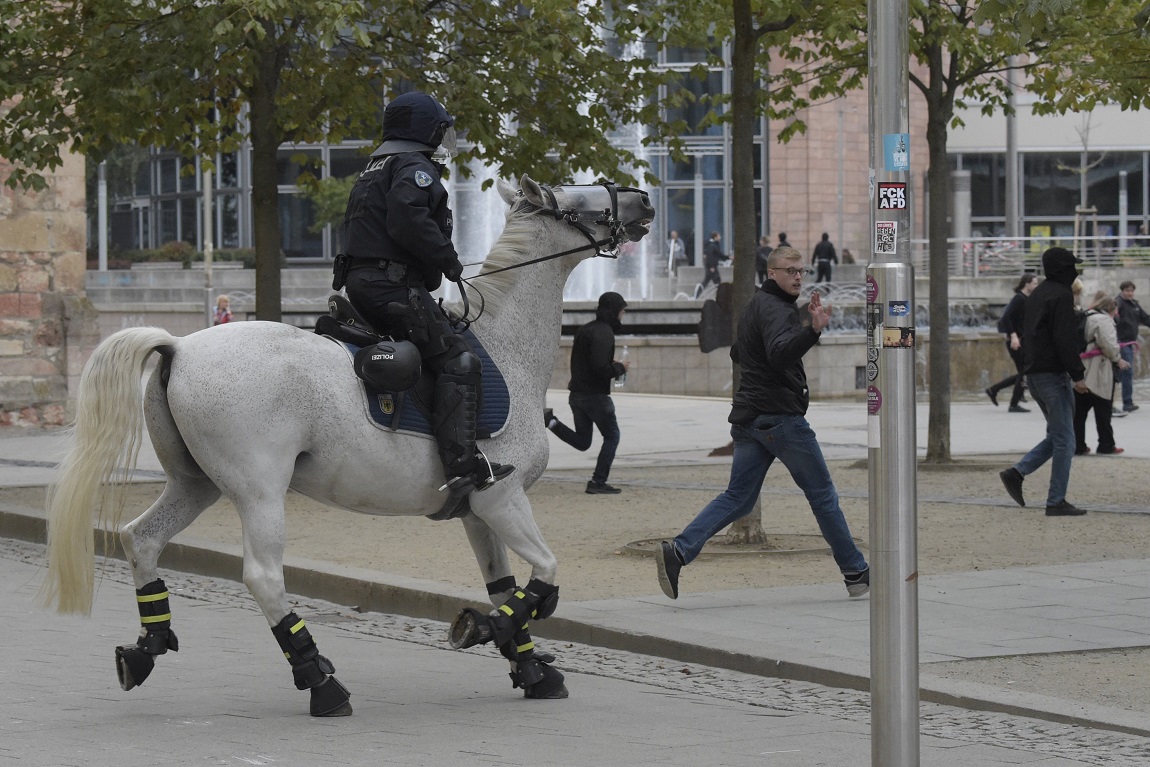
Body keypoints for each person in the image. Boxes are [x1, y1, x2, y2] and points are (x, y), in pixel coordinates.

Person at [655, 246, 870, 600]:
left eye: (801, 271)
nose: (798, 276)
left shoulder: (756, 305)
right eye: (789, 271)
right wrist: (812, 331)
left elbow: (740, 352)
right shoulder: (777, 310)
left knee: (738, 497)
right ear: (771, 273)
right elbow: (779, 352)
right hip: (780, 420)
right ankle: (855, 571)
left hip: (750, 418)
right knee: (823, 496)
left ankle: (678, 551)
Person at [336, 91, 512, 497]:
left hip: (364, 282)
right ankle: (462, 465)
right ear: (422, 131)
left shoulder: (375, 165)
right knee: (459, 359)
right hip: (390, 286)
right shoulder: (414, 165)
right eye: (439, 131)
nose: (442, 140)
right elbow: (407, 220)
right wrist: (447, 257)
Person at [999, 247, 1089, 517]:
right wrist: (1078, 375)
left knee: (1058, 436)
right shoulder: (1061, 295)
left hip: (1036, 374)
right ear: (1064, 269)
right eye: (1072, 266)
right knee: (1066, 441)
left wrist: (1026, 371)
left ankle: (1017, 472)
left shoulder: (1038, 294)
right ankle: (1056, 501)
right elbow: (1064, 339)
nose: (1076, 271)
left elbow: (1031, 335)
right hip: (1054, 376)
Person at [545, 292, 630, 495]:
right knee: (612, 436)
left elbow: (590, 362)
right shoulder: (604, 333)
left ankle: (551, 422)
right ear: (615, 311)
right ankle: (598, 482)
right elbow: (600, 368)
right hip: (595, 397)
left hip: (577, 396)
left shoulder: (587, 329)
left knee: (583, 442)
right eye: (622, 311)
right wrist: (619, 368)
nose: (623, 315)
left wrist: (611, 365)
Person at [1074, 296, 1130, 455]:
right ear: (1111, 309)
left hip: (1083, 368)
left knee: (1079, 412)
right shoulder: (1103, 320)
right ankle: (1106, 445)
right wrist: (1118, 359)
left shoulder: (1086, 315)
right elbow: (1109, 345)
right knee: (1103, 410)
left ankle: (1078, 445)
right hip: (1099, 369)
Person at [985, 273, 1037, 413]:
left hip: (1022, 340)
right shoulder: (1019, 298)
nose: (1036, 286)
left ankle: (994, 390)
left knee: (1024, 372)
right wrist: (1013, 336)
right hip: (1016, 341)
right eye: (1034, 283)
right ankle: (1013, 403)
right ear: (1026, 284)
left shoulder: (1026, 299)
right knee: (1024, 372)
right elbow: (1006, 318)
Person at [1115, 280, 1150, 413]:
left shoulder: (1135, 304)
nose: (1130, 293)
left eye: (1131, 291)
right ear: (1122, 291)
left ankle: (1127, 401)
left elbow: (1145, 318)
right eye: (1127, 291)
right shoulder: (1118, 303)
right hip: (1121, 343)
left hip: (1130, 343)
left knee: (1127, 373)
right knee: (1126, 372)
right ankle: (1126, 403)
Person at [696, 230, 725, 298]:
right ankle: (721, 297)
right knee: (717, 283)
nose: (720, 237)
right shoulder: (712, 246)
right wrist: (712, 266)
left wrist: (728, 257)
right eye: (718, 236)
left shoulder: (714, 245)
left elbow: (719, 255)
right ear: (715, 237)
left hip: (711, 267)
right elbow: (710, 256)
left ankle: (697, 294)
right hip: (712, 267)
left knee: (706, 282)